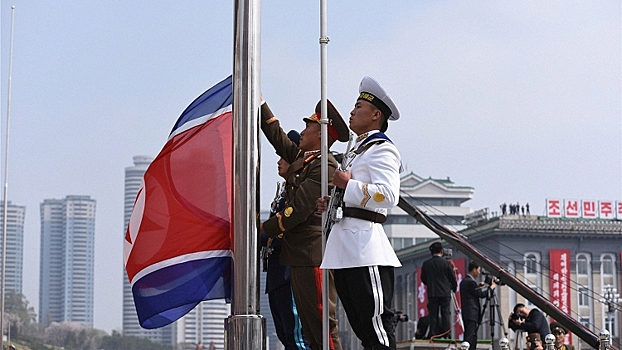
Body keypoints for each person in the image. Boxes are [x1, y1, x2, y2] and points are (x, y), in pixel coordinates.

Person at [319, 76, 403, 350]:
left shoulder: (383, 149)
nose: (352, 112)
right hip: (345, 244)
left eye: (358, 107)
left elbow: (389, 195)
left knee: (376, 326)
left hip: (366, 244)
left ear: (376, 114)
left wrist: (349, 185)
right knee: (361, 327)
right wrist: (333, 201)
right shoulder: (358, 150)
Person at [260, 97, 349, 350]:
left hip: (312, 254)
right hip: (298, 254)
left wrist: (265, 229)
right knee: (310, 331)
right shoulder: (305, 159)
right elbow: (277, 137)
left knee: (322, 326)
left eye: (308, 126)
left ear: (320, 134)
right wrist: (261, 103)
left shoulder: (325, 165)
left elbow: (298, 210)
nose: (302, 131)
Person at [260, 130, 311, 350]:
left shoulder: (299, 190)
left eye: (283, 156)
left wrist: (264, 233)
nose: (279, 161)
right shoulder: (283, 192)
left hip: (290, 270)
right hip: (276, 271)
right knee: (285, 334)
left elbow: (289, 229)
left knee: (297, 336)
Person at [420, 242, 458, 338]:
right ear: (442, 251)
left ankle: (433, 333)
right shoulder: (446, 263)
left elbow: (423, 278)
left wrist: (430, 284)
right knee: (445, 314)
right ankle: (446, 334)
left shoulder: (426, 264)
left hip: (432, 293)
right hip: (445, 292)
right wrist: (454, 287)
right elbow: (452, 277)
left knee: (433, 315)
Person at [460, 261, 497, 350]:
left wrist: (478, 286)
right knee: (470, 337)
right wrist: (492, 287)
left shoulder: (465, 281)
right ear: (474, 269)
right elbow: (481, 295)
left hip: (467, 313)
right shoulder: (470, 282)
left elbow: (472, 292)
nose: (479, 272)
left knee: (471, 335)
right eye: (478, 270)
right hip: (472, 313)